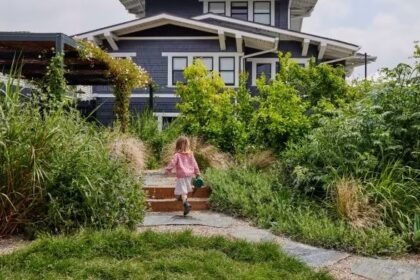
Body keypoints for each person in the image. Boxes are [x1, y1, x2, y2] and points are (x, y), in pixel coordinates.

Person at [165, 136, 200, 216]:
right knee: (183, 191)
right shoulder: (191, 154)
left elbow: (172, 163)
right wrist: (197, 172)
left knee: (181, 192)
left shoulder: (177, 155)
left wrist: (168, 169)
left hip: (181, 176)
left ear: (177, 145)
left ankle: (186, 204)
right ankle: (185, 206)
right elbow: (195, 164)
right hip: (189, 175)